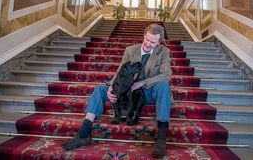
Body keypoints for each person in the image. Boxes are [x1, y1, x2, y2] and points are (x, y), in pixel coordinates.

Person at [61, 24, 172, 158]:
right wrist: (112, 87)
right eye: (146, 39)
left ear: (159, 42)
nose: (148, 44)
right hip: (127, 89)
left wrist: (141, 83)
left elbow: (166, 75)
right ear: (144, 35)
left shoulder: (163, 52)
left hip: (147, 91)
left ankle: (161, 138)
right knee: (100, 89)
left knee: (164, 87)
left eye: (153, 42)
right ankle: (84, 132)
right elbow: (120, 72)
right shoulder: (130, 50)